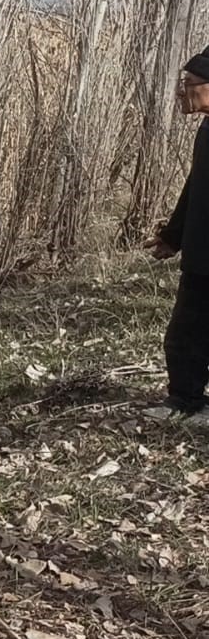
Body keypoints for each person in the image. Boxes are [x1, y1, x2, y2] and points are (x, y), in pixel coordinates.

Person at [146, 47, 209, 421]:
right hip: (202, 254)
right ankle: (185, 399)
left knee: (188, 332)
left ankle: (186, 402)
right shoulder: (206, 129)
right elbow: (196, 189)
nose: (183, 92)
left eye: (190, 84)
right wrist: (173, 235)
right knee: (187, 333)